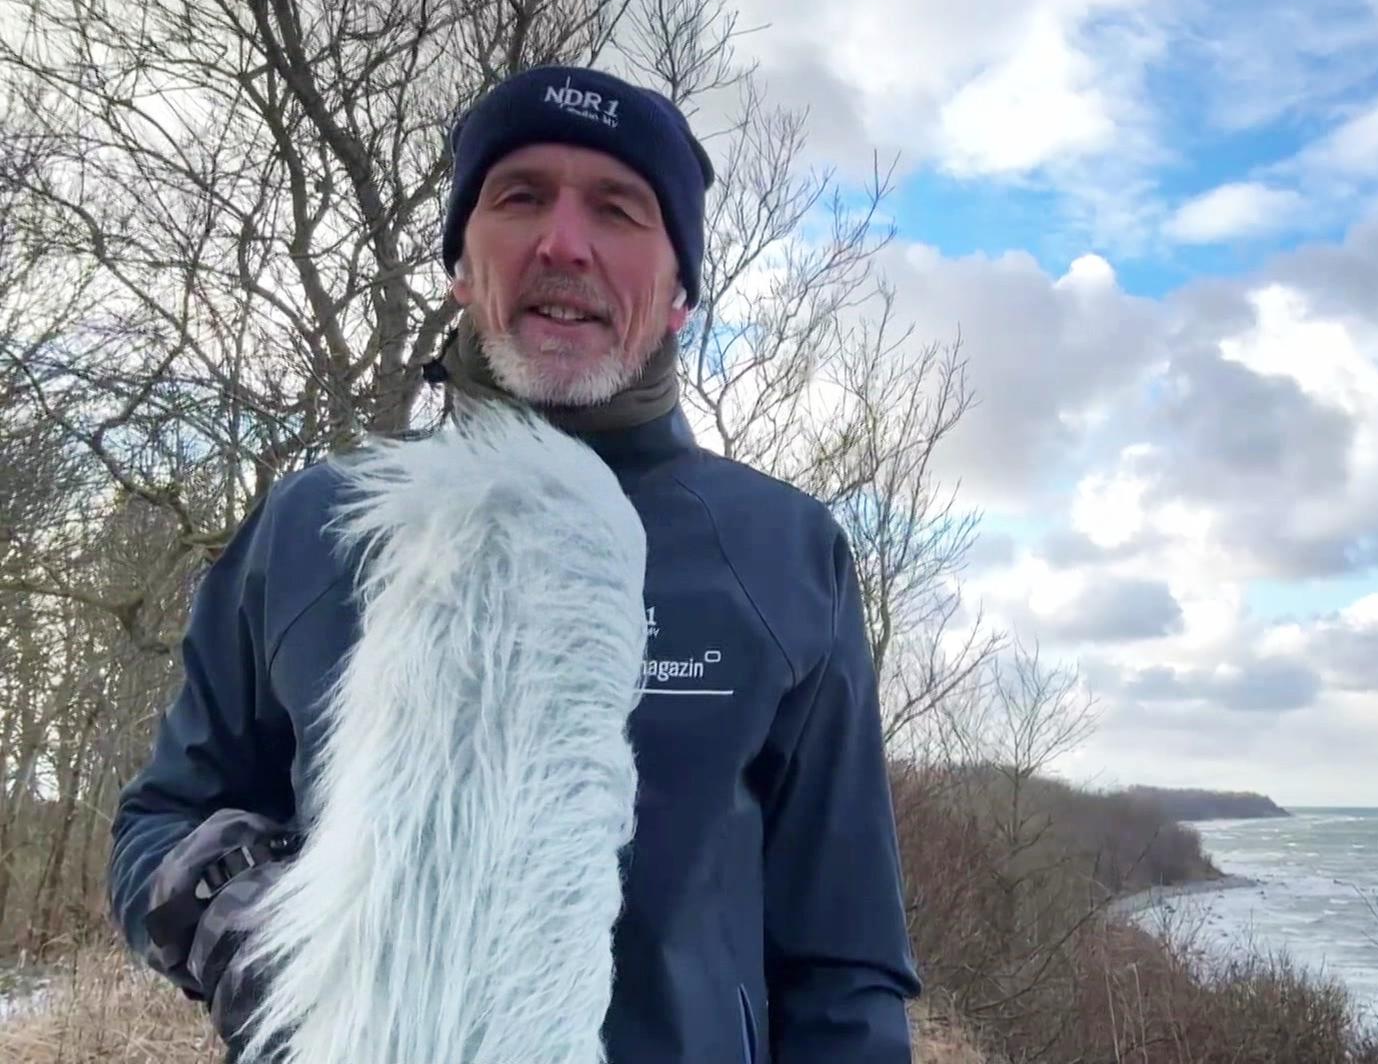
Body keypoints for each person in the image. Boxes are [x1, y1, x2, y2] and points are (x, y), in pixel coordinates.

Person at [105, 65, 922, 1063]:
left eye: (617, 209)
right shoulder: (315, 525)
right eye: (521, 197)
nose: (563, 243)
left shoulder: (783, 552)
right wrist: (232, 911)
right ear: (462, 264)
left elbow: (845, 964)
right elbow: (162, 818)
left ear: (679, 294)